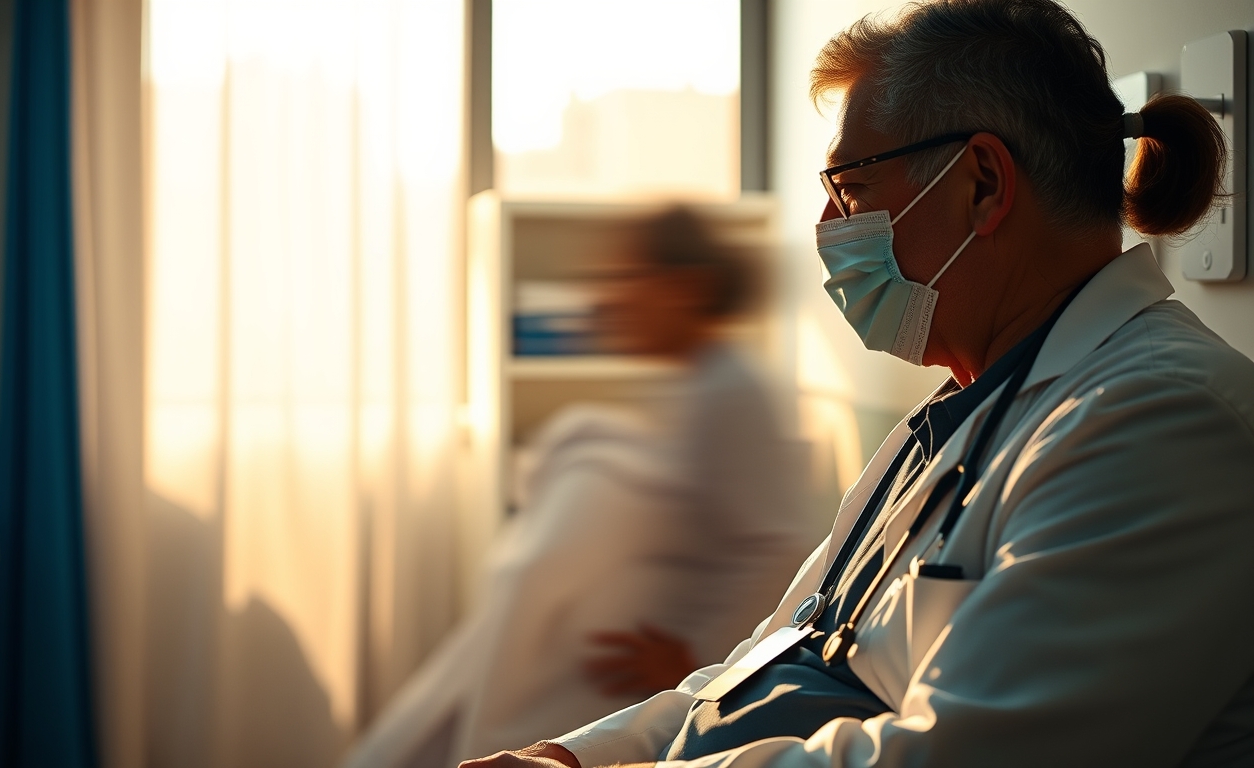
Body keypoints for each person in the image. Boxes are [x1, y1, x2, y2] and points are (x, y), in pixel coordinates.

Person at [460, 1, 1254, 767]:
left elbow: (962, 754)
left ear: (981, 183)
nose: (829, 226)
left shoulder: (1164, 423)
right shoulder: (953, 417)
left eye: (854, 188)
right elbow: (766, 660)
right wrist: (573, 755)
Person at [341, 208, 811, 768]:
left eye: (625, 277)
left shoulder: (732, 391)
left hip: (681, 674)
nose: (606, 298)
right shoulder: (698, 385)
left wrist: (700, 657)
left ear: (688, 288)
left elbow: (775, 547)